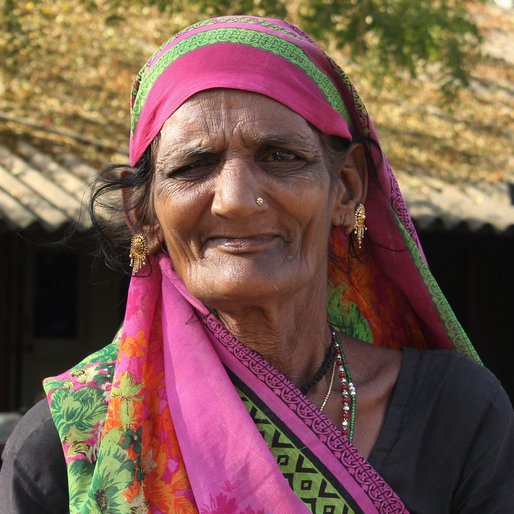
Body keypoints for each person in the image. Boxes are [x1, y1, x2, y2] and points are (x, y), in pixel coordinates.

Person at [1, 15, 513, 514]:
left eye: (281, 157)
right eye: (193, 165)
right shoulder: (69, 447)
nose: (236, 200)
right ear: (145, 214)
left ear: (347, 187)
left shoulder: (457, 418)